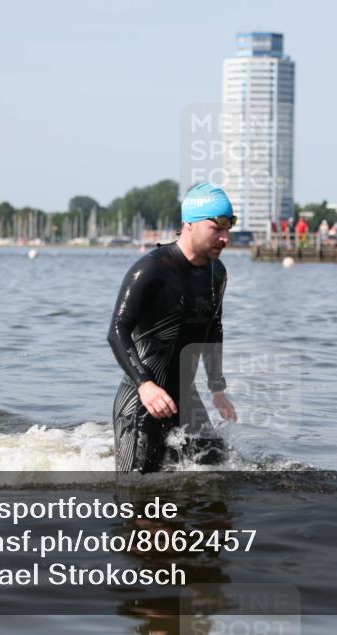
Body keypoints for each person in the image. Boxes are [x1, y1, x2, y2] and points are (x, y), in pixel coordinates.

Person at [108, 182, 236, 473]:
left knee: (218, 475)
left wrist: (217, 388)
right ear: (188, 224)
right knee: (138, 498)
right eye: (218, 228)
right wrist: (145, 384)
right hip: (143, 403)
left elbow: (214, 330)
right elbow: (117, 330)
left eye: (229, 228)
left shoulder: (217, 273)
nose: (226, 238)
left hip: (186, 400)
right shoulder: (151, 269)